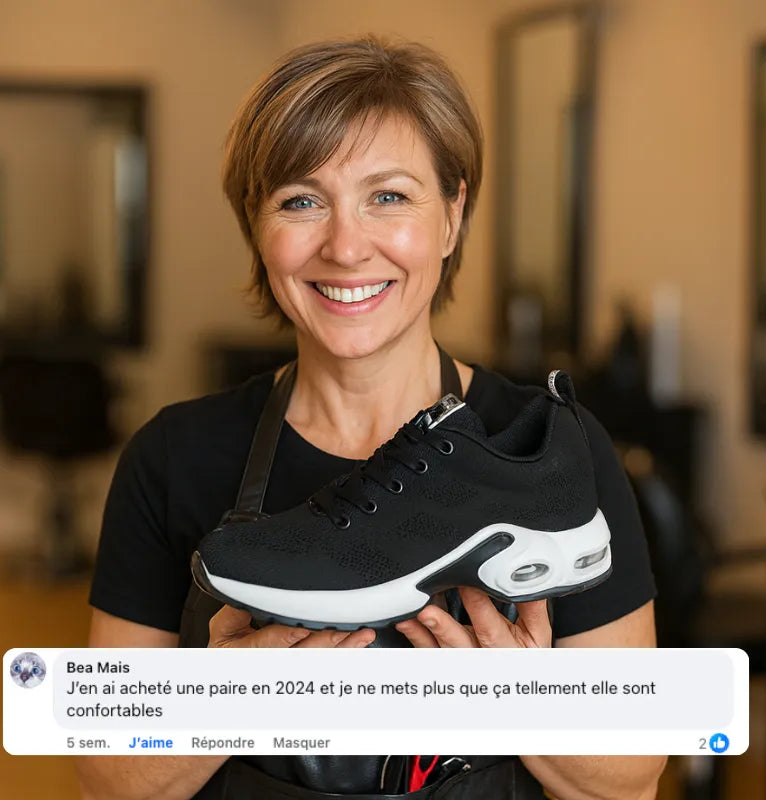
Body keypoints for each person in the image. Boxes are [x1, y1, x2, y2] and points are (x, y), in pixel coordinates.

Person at [77, 36, 665, 800]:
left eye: (388, 196)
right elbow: (109, 781)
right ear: (256, 227)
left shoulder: (549, 456)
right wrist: (224, 704)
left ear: (452, 216)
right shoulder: (174, 456)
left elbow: (630, 780)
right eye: (300, 200)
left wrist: (519, 702)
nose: (347, 246)